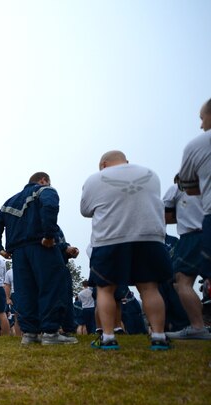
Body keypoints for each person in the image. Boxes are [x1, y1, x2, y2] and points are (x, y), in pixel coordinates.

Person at [81, 150, 172, 350]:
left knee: (105, 289)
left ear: (103, 164)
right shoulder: (151, 174)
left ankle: (107, 337)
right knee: (149, 287)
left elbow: (85, 210)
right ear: (126, 161)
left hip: (110, 237)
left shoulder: (95, 179)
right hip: (149, 235)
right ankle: (158, 336)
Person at [0, 173, 76, 345]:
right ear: (43, 180)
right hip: (42, 246)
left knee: (25, 291)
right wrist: (49, 235)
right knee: (50, 287)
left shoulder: (9, 202)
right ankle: (50, 333)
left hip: (19, 253)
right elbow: (50, 206)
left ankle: (30, 334)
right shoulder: (45, 190)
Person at [163, 184, 210, 339]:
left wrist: (183, 213)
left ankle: (197, 327)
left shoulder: (178, 188)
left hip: (193, 235)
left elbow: (165, 216)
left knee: (181, 281)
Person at [175, 97, 211, 283]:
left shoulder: (197, 144)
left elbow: (187, 186)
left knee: (182, 278)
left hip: (207, 216)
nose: (200, 125)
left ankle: (198, 314)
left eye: (202, 118)